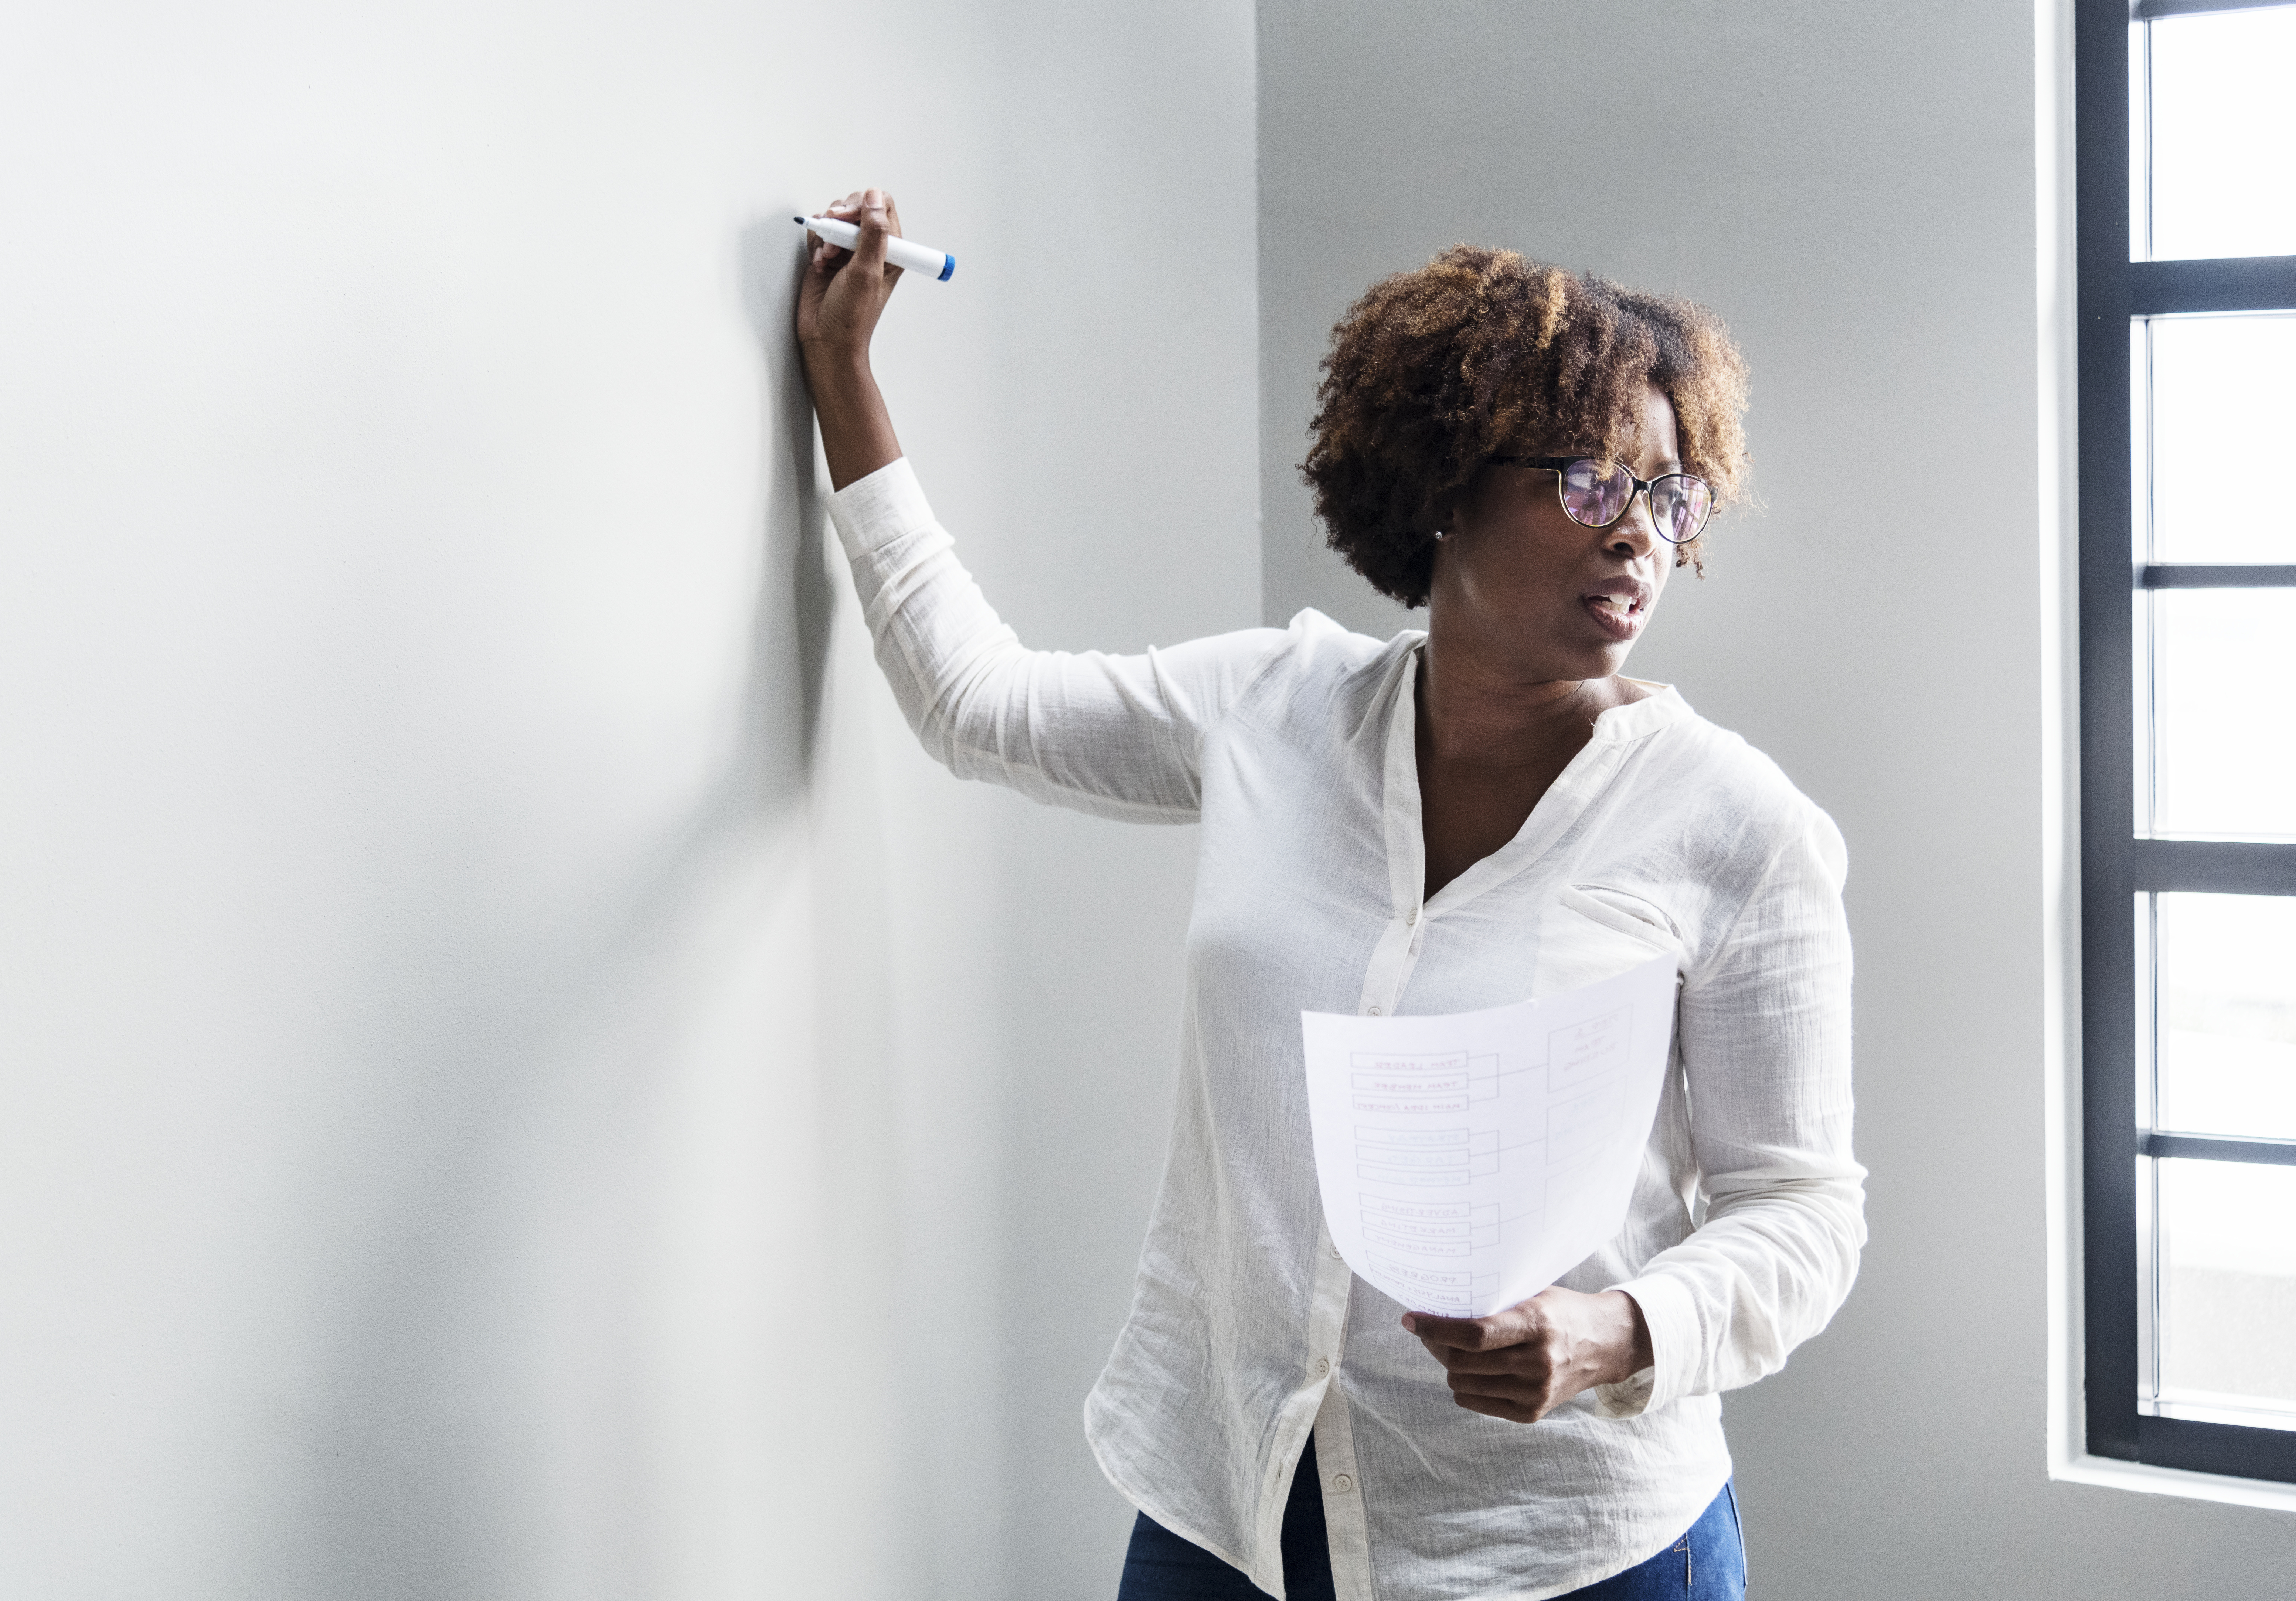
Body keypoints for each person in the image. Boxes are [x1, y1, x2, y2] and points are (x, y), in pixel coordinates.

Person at [796, 188, 1862, 1601]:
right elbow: (977, 707)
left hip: (1563, 1549)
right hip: (1227, 1507)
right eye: (1590, 481)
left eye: (1670, 497)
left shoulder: (1737, 827)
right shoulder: (1272, 705)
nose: (1639, 536)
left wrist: (1617, 1330)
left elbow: (1801, 1210)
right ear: (1443, 485)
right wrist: (845, 382)